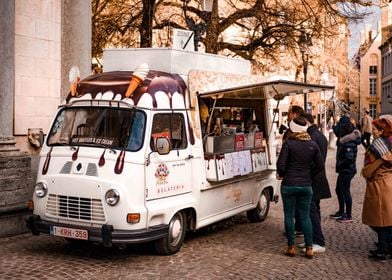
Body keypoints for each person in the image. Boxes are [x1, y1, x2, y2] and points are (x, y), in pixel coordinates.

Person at [277, 116, 325, 259]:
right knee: (305, 216)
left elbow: (281, 164)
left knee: (289, 215)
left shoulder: (289, 143)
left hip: (289, 184)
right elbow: (320, 166)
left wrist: (282, 174)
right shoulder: (312, 144)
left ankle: (291, 246)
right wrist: (309, 174)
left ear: (293, 128)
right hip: (306, 185)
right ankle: (309, 247)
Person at [298, 113, 331, 253]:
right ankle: (311, 239)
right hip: (317, 178)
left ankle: (318, 241)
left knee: (311, 211)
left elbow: (313, 161)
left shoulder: (312, 137)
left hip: (312, 179)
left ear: (305, 122)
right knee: (314, 210)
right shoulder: (320, 135)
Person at [361, 117, 392, 262]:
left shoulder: (376, 147)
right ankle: (384, 246)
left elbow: (368, 171)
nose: (372, 131)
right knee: (384, 219)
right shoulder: (389, 144)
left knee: (379, 220)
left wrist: (366, 171)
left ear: (382, 131)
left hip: (378, 185)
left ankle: (382, 250)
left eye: (375, 129)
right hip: (387, 184)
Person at [330, 116, 361, 223]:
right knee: (339, 190)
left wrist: (340, 165)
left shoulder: (349, 141)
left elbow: (349, 158)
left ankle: (348, 215)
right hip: (345, 170)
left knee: (345, 191)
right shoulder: (346, 139)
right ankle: (341, 211)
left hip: (347, 170)